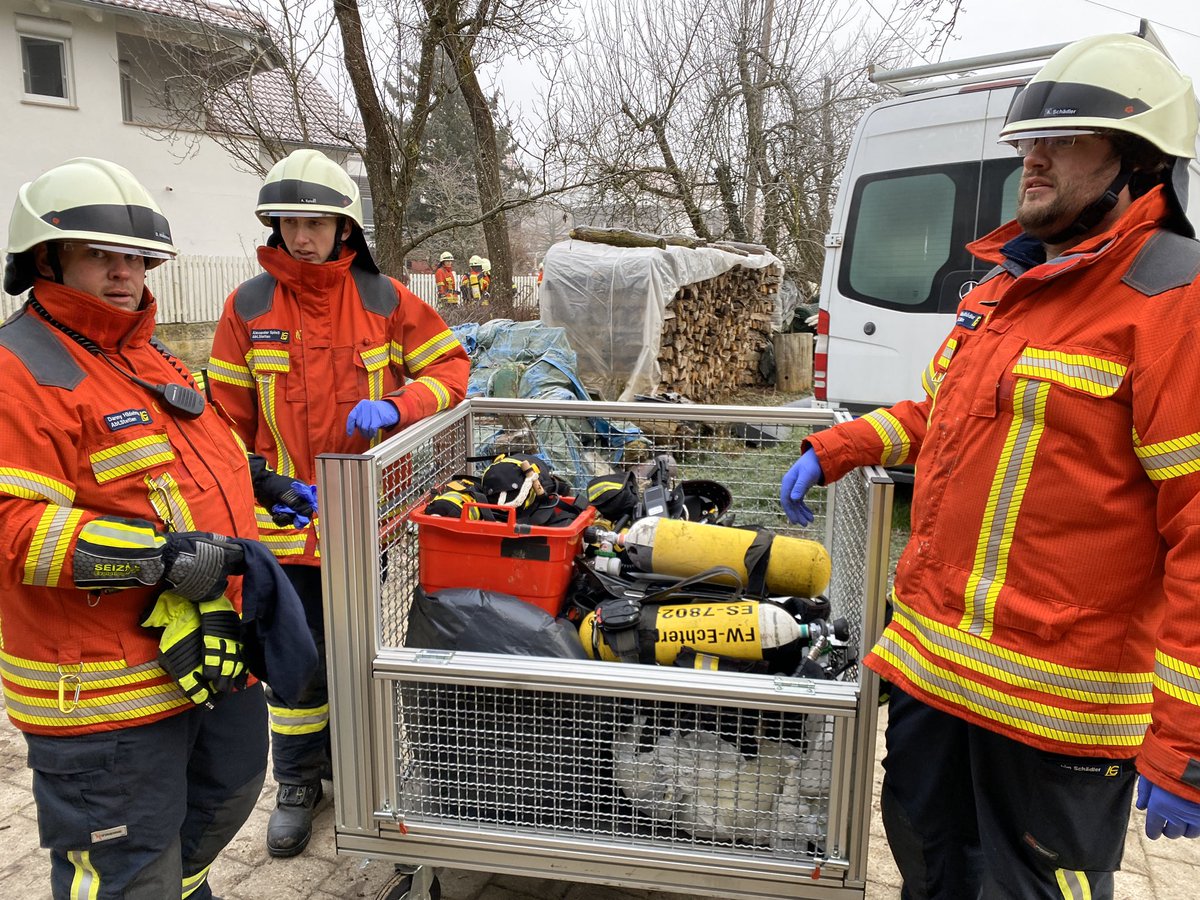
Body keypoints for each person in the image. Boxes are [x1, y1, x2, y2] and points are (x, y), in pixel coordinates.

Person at [781, 34, 1200, 899]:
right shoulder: (1004, 287)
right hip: (939, 667)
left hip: (1059, 708)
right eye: (1027, 143)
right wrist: (843, 445)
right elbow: (941, 418)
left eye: (1063, 139)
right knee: (931, 869)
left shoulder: (1175, 303)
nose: (1031, 159)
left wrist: (1185, 735)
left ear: (1137, 161)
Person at [0, 158, 302, 899]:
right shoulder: (18, 370)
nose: (123, 272)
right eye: (100, 254)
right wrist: (162, 560)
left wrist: (261, 481)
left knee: (231, 789)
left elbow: (191, 456)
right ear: (48, 257)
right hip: (102, 687)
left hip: (201, 651)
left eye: (135, 257)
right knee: (125, 868)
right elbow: (17, 532)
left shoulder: (146, 350)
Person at [207, 148, 470, 859]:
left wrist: (399, 404)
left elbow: (451, 368)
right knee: (293, 662)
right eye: (289, 221)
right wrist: (262, 484)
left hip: (362, 522)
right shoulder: (248, 307)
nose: (302, 235)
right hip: (283, 526)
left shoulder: (386, 300)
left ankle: (349, 768)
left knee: (355, 653)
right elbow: (219, 422)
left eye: (316, 222)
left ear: (344, 227)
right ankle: (296, 784)